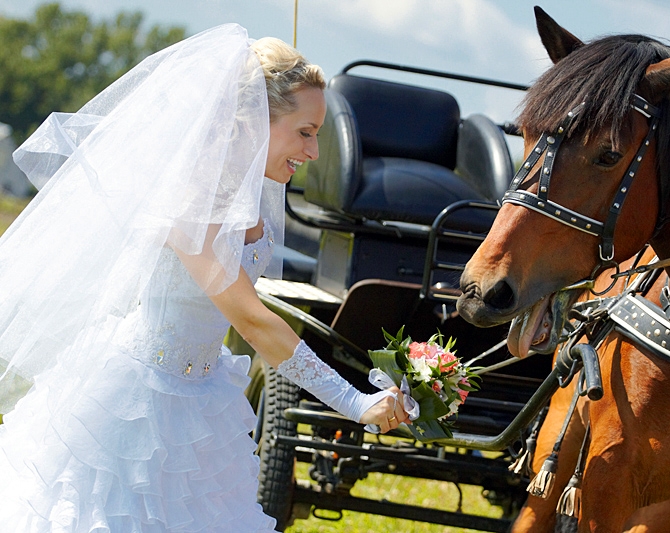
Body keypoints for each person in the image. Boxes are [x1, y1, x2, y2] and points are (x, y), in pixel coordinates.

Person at [0, 24, 409, 532]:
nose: (314, 152)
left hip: (203, 400)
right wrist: (354, 401)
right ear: (254, 119)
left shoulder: (257, 194)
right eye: (305, 131)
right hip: (134, 408)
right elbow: (252, 320)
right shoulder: (193, 198)